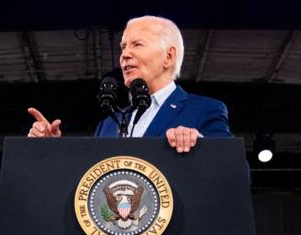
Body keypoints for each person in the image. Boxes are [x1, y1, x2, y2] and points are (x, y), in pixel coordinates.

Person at [27, 15, 232, 152]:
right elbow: (88, 184)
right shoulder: (108, 125)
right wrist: (51, 151)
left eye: (137, 44)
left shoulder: (204, 110)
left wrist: (201, 145)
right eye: (123, 47)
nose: (125, 54)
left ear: (168, 57)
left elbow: (237, 172)